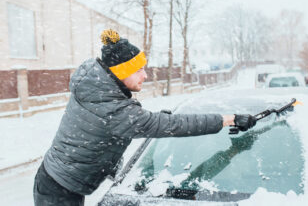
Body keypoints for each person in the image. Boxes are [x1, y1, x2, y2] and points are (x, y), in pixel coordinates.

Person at [33, 29, 256, 205]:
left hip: (56, 179)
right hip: (58, 189)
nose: (145, 75)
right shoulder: (113, 108)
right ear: (121, 72)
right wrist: (229, 119)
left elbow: (123, 122)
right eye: (138, 70)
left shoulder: (97, 88)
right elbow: (174, 125)